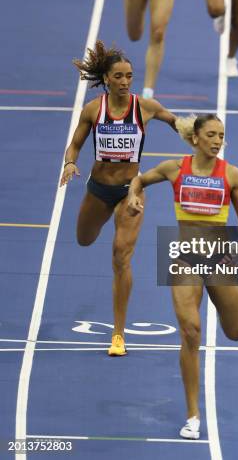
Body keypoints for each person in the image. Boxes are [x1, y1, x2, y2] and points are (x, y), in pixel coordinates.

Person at [127, 114, 238, 439]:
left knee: (236, 332)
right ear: (196, 138)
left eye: (221, 135)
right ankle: (193, 415)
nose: (217, 140)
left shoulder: (232, 174)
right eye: (211, 134)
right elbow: (139, 180)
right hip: (186, 261)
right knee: (191, 332)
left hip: (220, 262)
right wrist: (133, 196)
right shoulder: (175, 168)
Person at [60, 40, 177, 357]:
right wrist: (71, 163)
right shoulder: (93, 110)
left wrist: (191, 129)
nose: (126, 81)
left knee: (120, 258)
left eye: (129, 76)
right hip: (99, 188)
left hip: (131, 192)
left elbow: (173, 120)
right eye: (120, 76)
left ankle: (118, 335)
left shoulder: (145, 108)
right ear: (107, 79)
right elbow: (74, 146)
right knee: (84, 239)